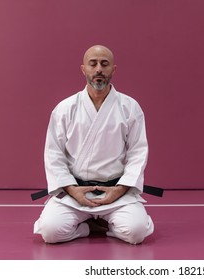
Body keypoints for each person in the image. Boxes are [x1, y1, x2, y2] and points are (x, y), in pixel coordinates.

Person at [33, 45, 154, 245]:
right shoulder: (65, 109)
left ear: (113, 70)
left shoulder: (130, 107)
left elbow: (138, 152)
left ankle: (105, 221)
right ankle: (90, 227)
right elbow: (54, 154)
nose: (99, 69)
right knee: (50, 231)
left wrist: (120, 189)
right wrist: (72, 190)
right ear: (84, 69)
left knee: (136, 232)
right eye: (93, 63)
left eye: (104, 64)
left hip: (115, 191)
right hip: (76, 191)